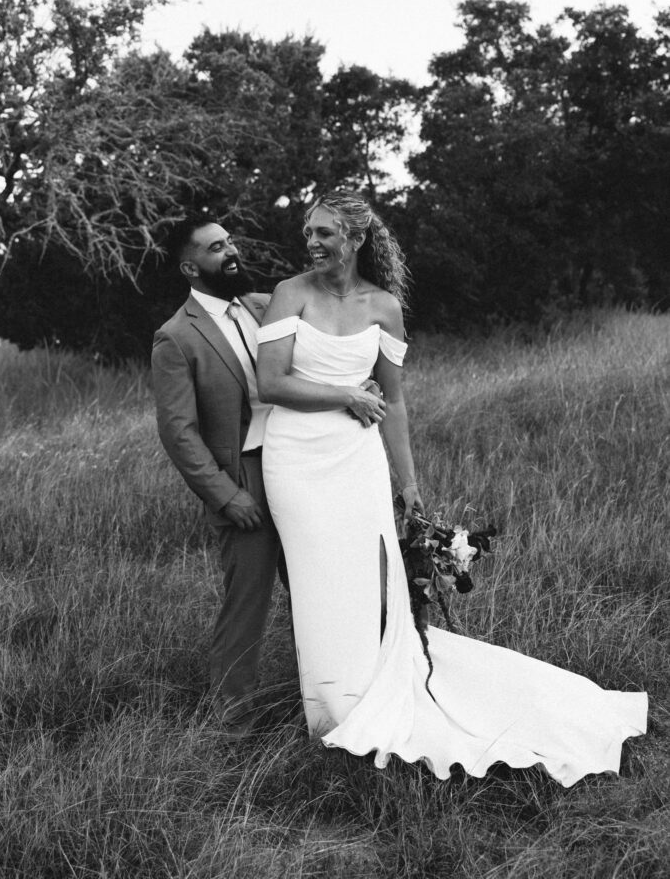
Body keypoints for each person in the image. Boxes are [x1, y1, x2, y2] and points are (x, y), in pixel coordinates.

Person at [255, 190, 647, 786]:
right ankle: (333, 713)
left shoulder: (383, 307)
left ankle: (372, 693)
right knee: (316, 582)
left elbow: (398, 401)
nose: (312, 242)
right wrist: (347, 395)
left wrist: (409, 485)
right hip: (296, 462)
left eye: (325, 233)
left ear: (356, 240)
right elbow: (270, 383)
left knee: (364, 584)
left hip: (356, 463)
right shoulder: (290, 294)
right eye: (309, 231)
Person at [151, 214, 287, 737]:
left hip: (298, 468)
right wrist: (227, 496)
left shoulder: (261, 306)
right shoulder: (176, 337)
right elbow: (179, 433)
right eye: (215, 248)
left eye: (229, 242)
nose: (230, 252)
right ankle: (234, 726)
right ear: (191, 267)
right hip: (245, 479)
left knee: (315, 591)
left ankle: (323, 702)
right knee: (246, 603)